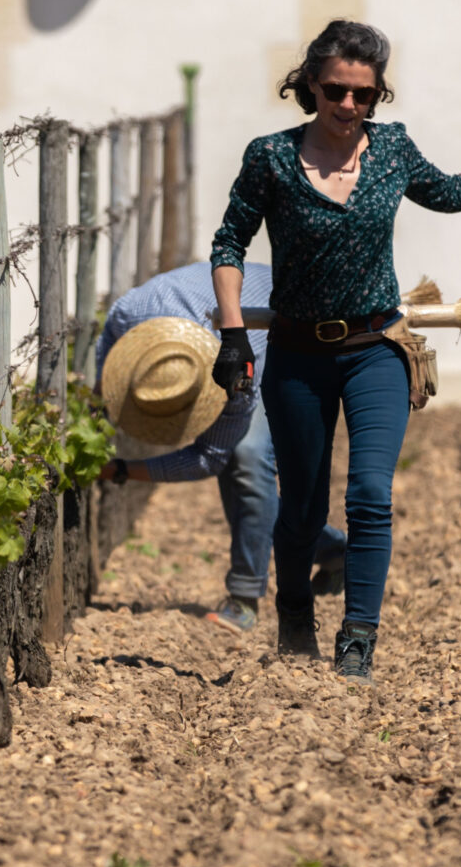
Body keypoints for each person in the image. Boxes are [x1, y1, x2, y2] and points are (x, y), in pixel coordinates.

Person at [206, 18, 461, 681]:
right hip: (296, 354)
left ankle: (358, 640)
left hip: (377, 345)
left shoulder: (392, 150)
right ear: (309, 87)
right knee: (303, 508)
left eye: (364, 95)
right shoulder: (271, 158)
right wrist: (234, 334)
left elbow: (452, 191)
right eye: (335, 91)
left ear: (379, 96)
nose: (349, 107)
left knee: (372, 493)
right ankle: (293, 613)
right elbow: (229, 242)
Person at [95, 261, 346, 632]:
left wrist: (121, 470)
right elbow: (105, 369)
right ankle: (331, 549)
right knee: (238, 466)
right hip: (229, 319)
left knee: (245, 458)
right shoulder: (128, 317)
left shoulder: (234, 380)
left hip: (282, 343)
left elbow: (209, 459)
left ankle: (244, 597)